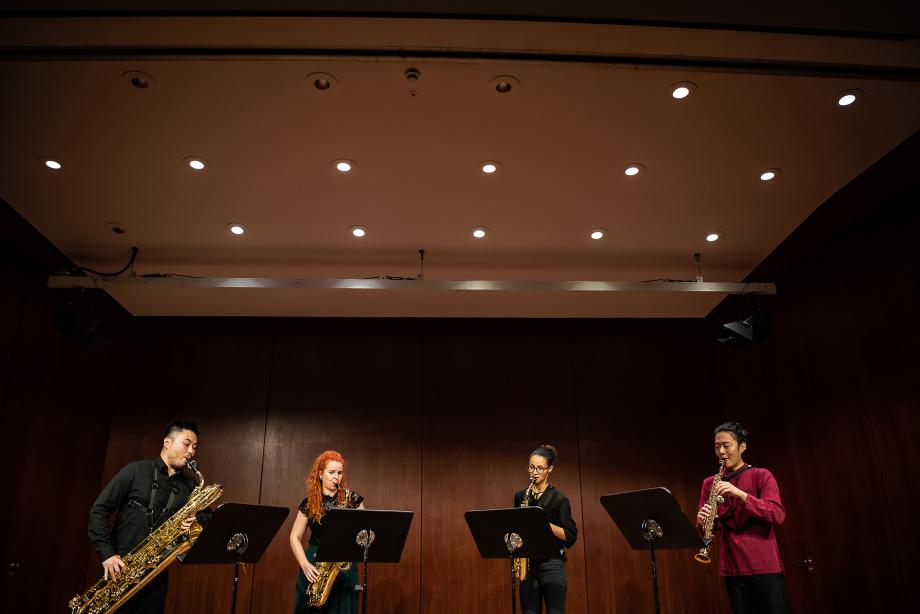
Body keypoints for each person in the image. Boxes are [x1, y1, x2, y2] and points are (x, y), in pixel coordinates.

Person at [87, 419, 203, 614]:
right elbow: (98, 511)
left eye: (195, 447)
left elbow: (208, 519)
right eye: (186, 443)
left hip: (156, 578)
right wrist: (107, 554)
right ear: (167, 442)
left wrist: (196, 522)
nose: (191, 451)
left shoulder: (190, 485)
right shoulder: (136, 470)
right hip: (119, 572)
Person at [696, 421, 790, 614]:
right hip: (732, 569)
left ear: (742, 446)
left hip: (764, 567)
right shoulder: (709, 484)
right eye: (717, 446)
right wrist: (702, 520)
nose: (721, 451)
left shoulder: (761, 475)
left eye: (726, 445)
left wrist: (741, 494)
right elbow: (708, 530)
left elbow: (777, 514)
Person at [290, 450, 365, 613]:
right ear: (320, 474)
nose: (336, 477)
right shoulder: (309, 502)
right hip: (315, 564)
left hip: (344, 563)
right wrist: (305, 564)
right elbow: (294, 536)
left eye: (339, 472)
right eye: (331, 472)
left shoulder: (351, 499)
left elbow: (364, 532)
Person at [514, 444, 578, 614]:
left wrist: (543, 524)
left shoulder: (559, 499)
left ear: (550, 469)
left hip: (552, 564)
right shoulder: (521, 496)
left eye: (540, 468)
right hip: (528, 565)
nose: (534, 472)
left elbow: (571, 535)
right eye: (531, 467)